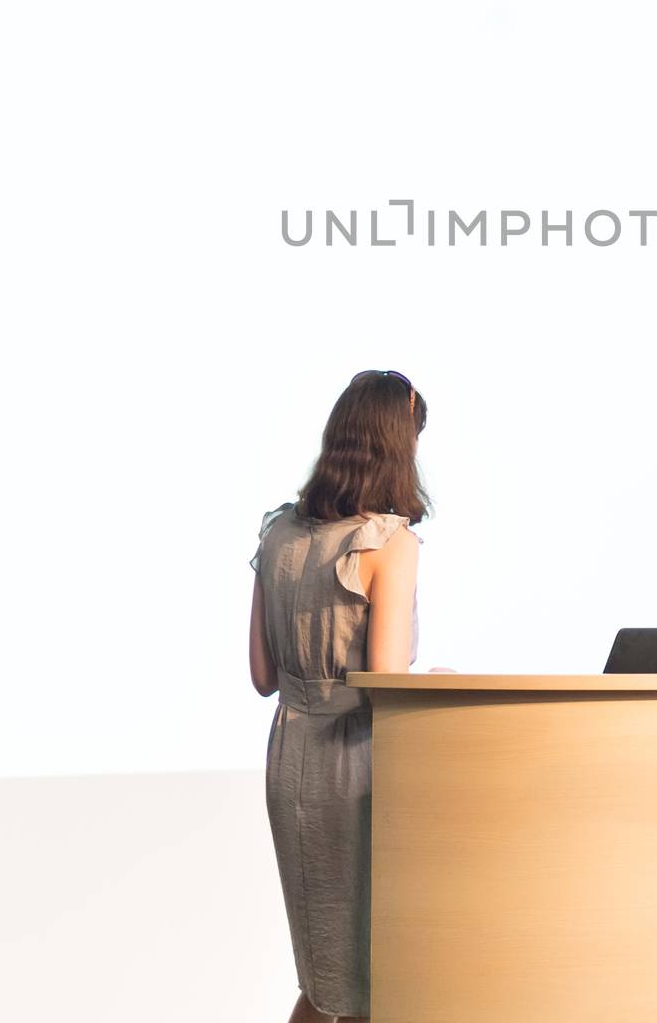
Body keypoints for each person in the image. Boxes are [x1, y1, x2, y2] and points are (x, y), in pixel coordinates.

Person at [248, 369, 454, 1023]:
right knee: (368, 980)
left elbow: (260, 675)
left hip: (290, 759)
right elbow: (383, 682)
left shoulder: (278, 534)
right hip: (355, 767)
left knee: (322, 975)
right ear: (398, 444)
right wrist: (441, 688)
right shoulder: (389, 543)